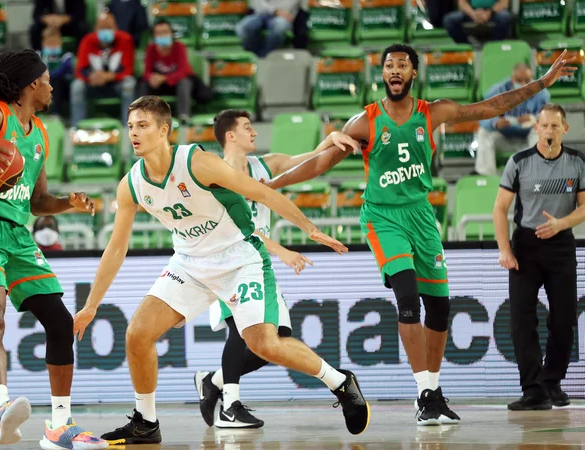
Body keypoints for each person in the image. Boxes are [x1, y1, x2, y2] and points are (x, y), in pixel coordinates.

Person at [266, 44, 575, 425]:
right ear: (382, 75)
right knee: (408, 299)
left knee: (441, 308)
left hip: (421, 215)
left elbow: (491, 107)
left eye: (402, 65)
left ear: (413, 73)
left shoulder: (433, 112)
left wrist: (543, 82)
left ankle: (433, 391)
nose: (395, 70)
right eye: (389, 66)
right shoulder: (364, 121)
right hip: (383, 217)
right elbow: (318, 165)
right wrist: (268, 184)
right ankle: (424, 393)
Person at [72, 96, 371, 444]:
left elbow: (260, 191)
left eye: (143, 125)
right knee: (137, 333)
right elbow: (116, 247)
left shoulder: (197, 163)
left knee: (264, 344)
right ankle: (146, 422)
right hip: (189, 263)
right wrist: (91, 305)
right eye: (130, 126)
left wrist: (308, 227)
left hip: (239, 258)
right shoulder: (132, 184)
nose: (134, 133)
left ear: (164, 130)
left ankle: (339, 381)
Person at [0, 49, 107, 450]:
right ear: (31, 85)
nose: (51, 86)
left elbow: (37, 200)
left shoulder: (40, 133)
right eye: (46, 80)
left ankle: (60, 427)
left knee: (61, 323)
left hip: (18, 234)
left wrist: (68, 203)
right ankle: (2, 406)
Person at [193, 109, 359, 428]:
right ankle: (231, 404)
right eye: (247, 128)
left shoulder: (264, 165)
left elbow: (307, 159)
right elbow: (236, 227)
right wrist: (281, 249)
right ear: (230, 136)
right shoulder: (213, 175)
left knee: (277, 338)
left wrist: (331, 139)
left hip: (257, 262)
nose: (254, 133)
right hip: (226, 261)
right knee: (240, 331)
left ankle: (212, 381)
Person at [493, 104, 583, 411]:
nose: (549, 131)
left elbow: (584, 206)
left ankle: (552, 383)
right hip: (526, 247)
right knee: (522, 319)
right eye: (544, 126)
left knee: (564, 319)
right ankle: (532, 389)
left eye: (555, 126)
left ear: (564, 129)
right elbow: (500, 209)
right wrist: (505, 250)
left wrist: (561, 223)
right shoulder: (519, 162)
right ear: (537, 128)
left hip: (561, 243)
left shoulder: (577, 162)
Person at [474, 63, 549, 176]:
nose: (523, 84)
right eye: (519, 80)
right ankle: (486, 176)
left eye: (527, 80)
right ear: (512, 78)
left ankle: (536, 174)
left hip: (528, 141)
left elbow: (548, 119)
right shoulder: (498, 91)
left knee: (542, 132)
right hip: (503, 138)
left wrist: (534, 119)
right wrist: (494, 123)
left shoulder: (541, 94)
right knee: (483, 132)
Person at [71, 12, 136, 126]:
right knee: (77, 86)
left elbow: (128, 70)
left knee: (129, 84)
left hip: (116, 85)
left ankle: (128, 127)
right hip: (93, 85)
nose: (105, 31)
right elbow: (80, 70)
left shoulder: (125, 39)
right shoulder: (87, 41)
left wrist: (108, 76)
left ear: (116, 28)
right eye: (102, 28)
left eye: (109, 27)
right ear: (95, 29)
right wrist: (91, 77)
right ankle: (77, 126)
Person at [138, 20, 195, 122]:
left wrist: (165, 78)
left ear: (171, 34)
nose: (162, 35)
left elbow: (184, 71)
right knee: (143, 84)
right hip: (158, 85)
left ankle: (184, 116)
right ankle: (143, 116)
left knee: (185, 82)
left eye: (165, 32)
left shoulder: (179, 47)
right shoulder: (151, 48)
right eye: (159, 33)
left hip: (174, 84)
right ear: (154, 36)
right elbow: (146, 72)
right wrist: (151, 78)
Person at [236, 0, 308, 58]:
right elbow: (257, 4)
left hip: (284, 16)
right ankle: (253, 56)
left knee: (280, 26)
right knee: (242, 28)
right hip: (260, 14)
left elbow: (290, 7)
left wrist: (278, 12)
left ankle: (263, 57)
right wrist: (275, 11)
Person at [38, 27, 75, 117]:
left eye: (55, 42)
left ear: (60, 43)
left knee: (56, 81)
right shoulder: (38, 56)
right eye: (50, 43)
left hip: (62, 86)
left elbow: (63, 71)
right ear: (43, 43)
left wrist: (47, 76)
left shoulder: (66, 56)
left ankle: (56, 113)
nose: (52, 45)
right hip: (42, 84)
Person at [443, 0, 512, 44]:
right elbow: (462, 2)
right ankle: (467, 45)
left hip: (494, 12)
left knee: (505, 17)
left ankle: (493, 45)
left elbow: (504, 2)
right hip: (472, 12)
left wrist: (489, 13)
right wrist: (473, 14)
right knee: (449, 20)